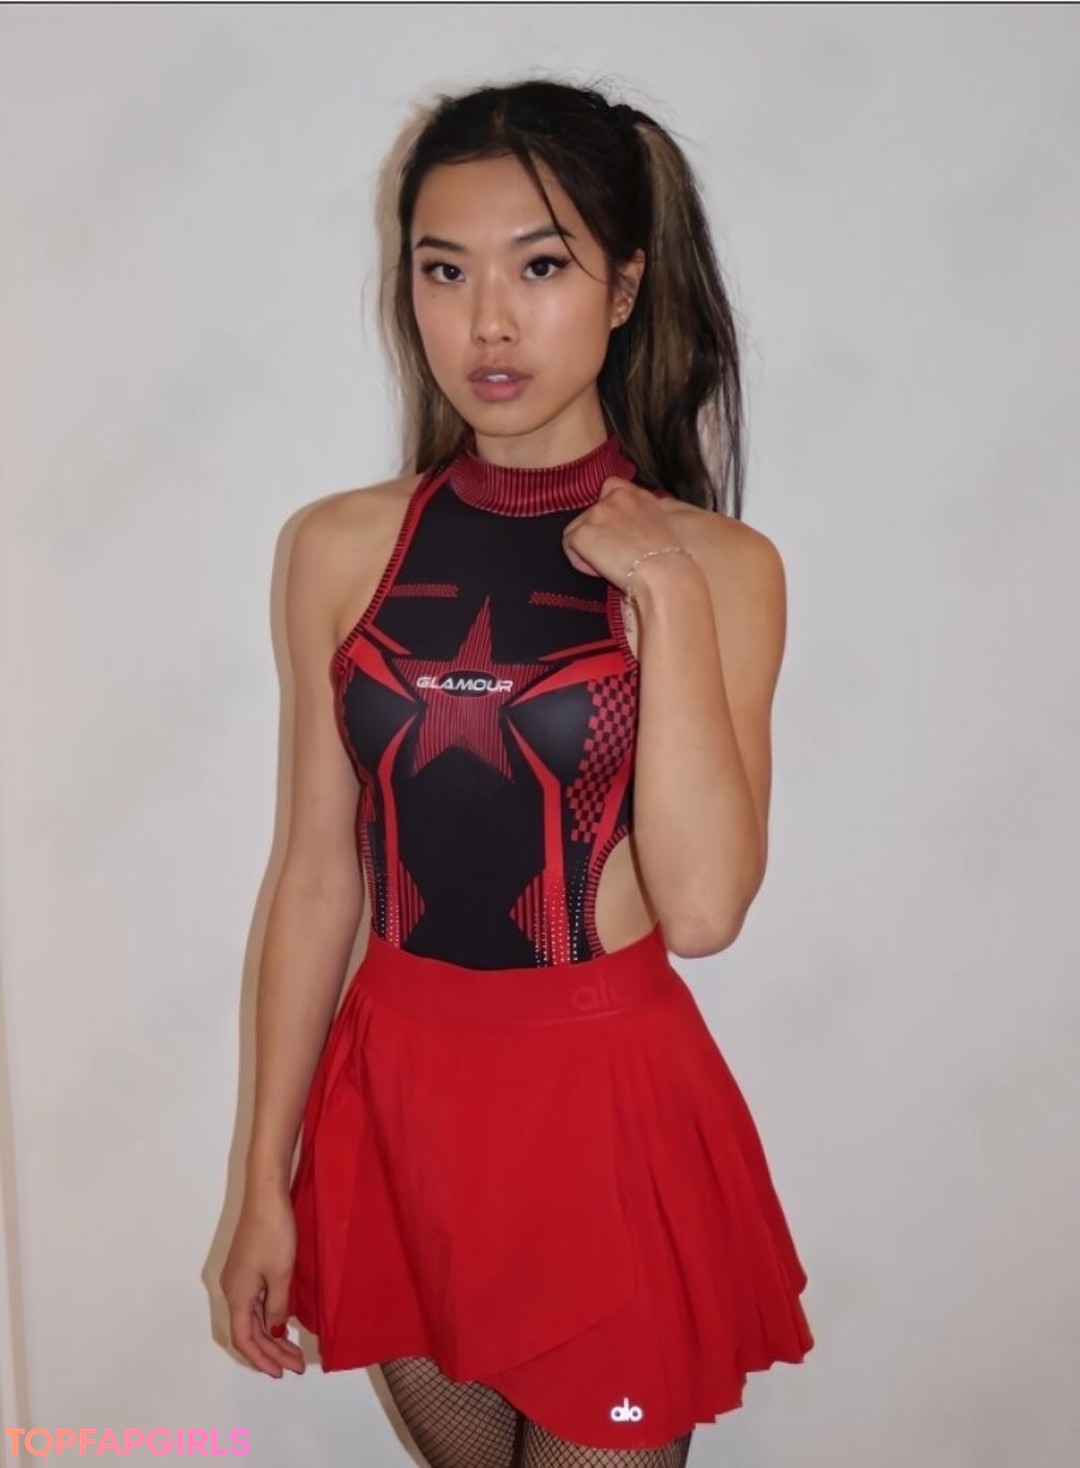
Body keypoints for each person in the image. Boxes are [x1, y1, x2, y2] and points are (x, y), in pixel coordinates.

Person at [219, 77, 814, 1468]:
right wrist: (263, 1178)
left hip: (601, 1113)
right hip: (400, 1108)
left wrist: (664, 589)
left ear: (623, 288)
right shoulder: (337, 547)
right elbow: (314, 878)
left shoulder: (720, 568)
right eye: (445, 271)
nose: (487, 321)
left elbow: (706, 909)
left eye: (539, 267)